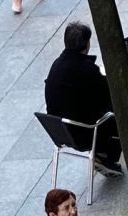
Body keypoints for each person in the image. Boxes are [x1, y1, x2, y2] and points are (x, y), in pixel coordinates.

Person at [44, 21, 122, 174]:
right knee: (121, 107)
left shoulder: (57, 65)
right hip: (83, 132)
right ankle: (105, 155)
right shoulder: (85, 69)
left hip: (61, 131)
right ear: (86, 44)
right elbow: (109, 92)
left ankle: (103, 156)